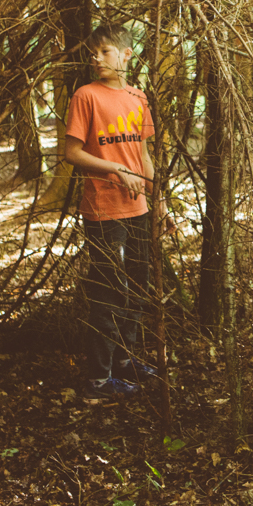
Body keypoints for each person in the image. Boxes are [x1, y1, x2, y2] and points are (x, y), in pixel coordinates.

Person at [65, 22, 162, 399]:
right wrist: (116, 171)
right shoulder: (85, 96)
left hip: (137, 207)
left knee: (138, 286)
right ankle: (99, 379)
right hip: (103, 208)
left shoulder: (138, 98)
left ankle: (125, 360)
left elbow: (143, 156)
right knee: (109, 290)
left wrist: (158, 202)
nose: (95, 58)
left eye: (104, 51)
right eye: (92, 52)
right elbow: (73, 153)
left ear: (126, 54)